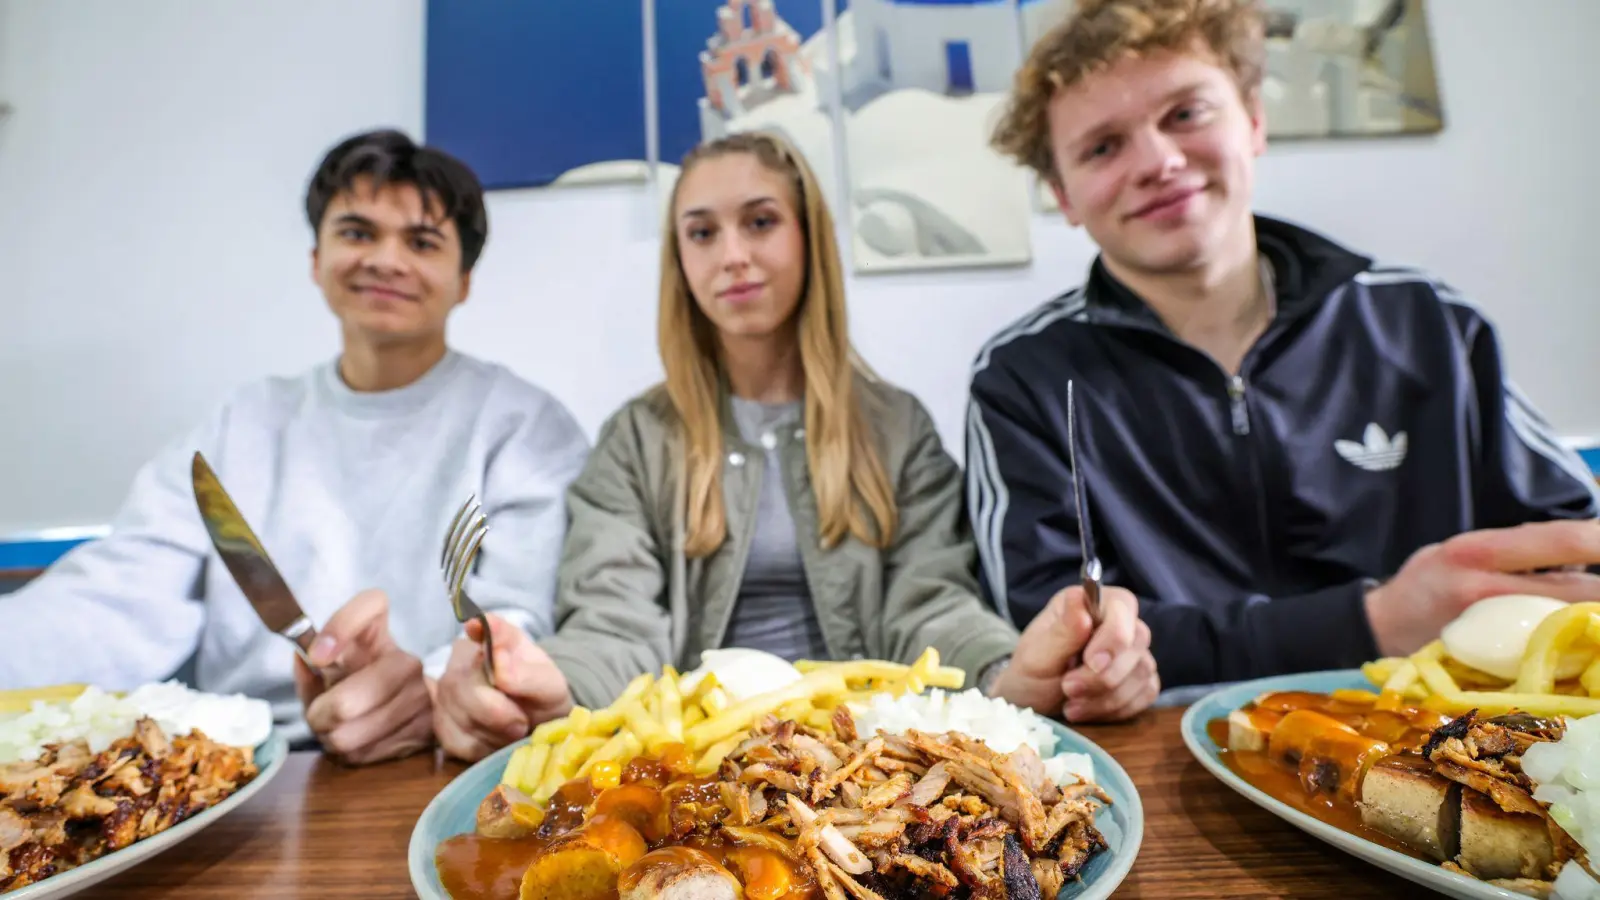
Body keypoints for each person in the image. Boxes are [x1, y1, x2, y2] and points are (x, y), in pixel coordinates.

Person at [430, 131, 1161, 762]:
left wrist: (1007, 671)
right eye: (702, 233)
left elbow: (933, 603)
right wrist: (549, 684)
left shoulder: (897, 427)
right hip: (697, 763)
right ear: (679, 259)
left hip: (868, 759)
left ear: (810, 237)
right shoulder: (635, 440)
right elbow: (613, 621)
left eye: (760, 222)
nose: (733, 255)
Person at [966, 0, 1600, 694]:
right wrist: (1373, 621)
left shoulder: (1428, 321)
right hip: (1165, 742)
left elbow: (1574, 542)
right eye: (1102, 147)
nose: (1160, 161)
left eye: (1186, 114)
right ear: (1063, 195)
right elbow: (1054, 644)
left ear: (1254, 120)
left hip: (1453, 725)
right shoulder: (1021, 380)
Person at [0, 129, 591, 764]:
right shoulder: (242, 422)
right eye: (358, 233)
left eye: (422, 242)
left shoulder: (526, 426)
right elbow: (123, 591)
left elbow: (517, 619)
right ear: (316, 258)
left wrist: (436, 691)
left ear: (464, 280)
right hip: (240, 759)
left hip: (445, 758)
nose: (385, 260)